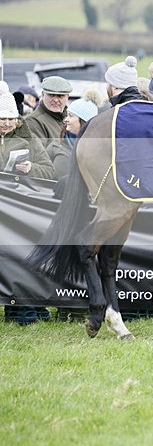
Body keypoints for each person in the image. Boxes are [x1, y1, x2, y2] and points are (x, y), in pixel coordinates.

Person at [0, 83, 55, 324]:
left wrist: (31, 168)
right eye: (2, 119)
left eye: (11, 118)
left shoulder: (27, 136)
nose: (7, 124)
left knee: (21, 257)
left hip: (20, 208)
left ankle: (24, 310)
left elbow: (49, 171)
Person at [46, 98, 99, 179]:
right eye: (67, 115)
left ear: (83, 122)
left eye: (70, 116)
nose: (66, 120)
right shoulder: (56, 145)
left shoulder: (98, 151)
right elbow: (42, 168)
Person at [25, 75, 72, 144]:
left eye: (60, 96)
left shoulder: (70, 118)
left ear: (67, 97)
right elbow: (40, 153)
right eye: (51, 95)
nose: (56, 100)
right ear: (43, 95)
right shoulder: (33, 122)